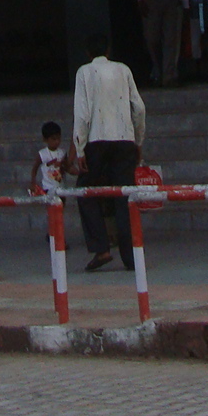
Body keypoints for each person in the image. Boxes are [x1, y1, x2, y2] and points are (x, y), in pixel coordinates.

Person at [70, 33, 146, 272]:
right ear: (109, 50)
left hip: (97, 140)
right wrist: (138, 140)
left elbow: (82, 115)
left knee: (86, 192)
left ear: (87, 52)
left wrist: (80, 149)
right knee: (124, 196)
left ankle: (101, 248)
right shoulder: (123, 70)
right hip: (125, 140)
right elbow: (139, 107)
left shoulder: (84, 72)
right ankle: (131, 257)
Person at [29, 120, 67, 198]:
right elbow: (34, 169)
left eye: (58, 138)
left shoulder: (63, 152)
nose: (57, 141)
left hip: (61, 187)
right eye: (54, 139)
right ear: (46, 140)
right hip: (48, 188)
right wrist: (33, 182)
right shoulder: (42, 154)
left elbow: (67, 166)